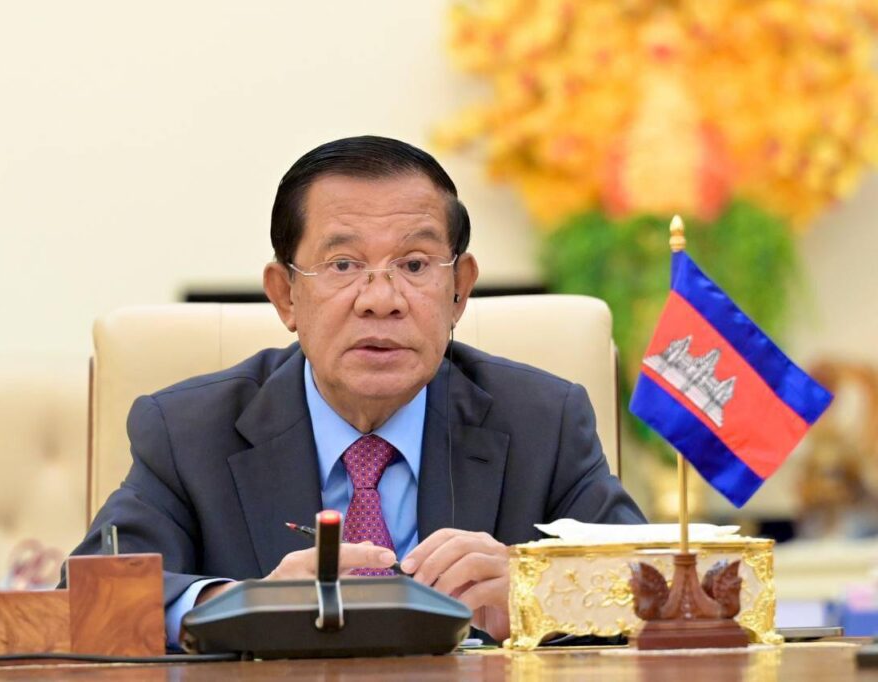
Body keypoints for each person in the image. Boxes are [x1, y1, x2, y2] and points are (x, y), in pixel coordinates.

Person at [69, 135, 645, 646]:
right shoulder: (187, 432)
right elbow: (82, 601)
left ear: (459, 290)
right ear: (285, 296)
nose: (381, 300)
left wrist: (537, 593)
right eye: (343, 265)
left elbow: (658, 589)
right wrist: (243, 605)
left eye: (414, 265)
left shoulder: (542, 421)